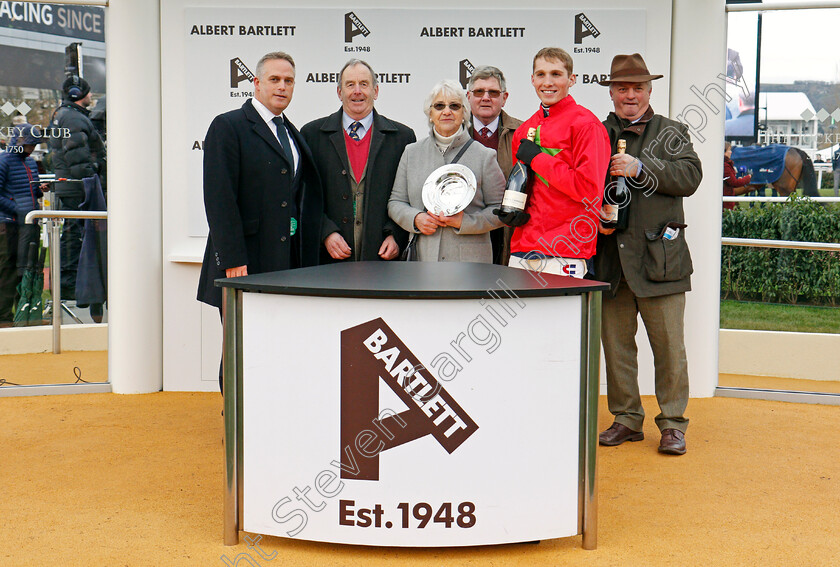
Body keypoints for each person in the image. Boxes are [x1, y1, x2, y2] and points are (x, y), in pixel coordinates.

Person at [196, 51, 323, 391]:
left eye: (289, 81)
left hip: (284, 262)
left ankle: (269, 413)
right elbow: (219, 199)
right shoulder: (229, 126)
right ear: (256, 83)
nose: (282, 87)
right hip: (244, 261)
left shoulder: (292, 133)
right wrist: (234, 260)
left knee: (276, 342)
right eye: (274, 79)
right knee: (241, 342)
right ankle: (237, 420)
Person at [595, 53, 703, 455]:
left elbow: (690, 177)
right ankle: (626, 418)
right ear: (611, 92)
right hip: (611, 260)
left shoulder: (672, 131)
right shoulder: (595, 131)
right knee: (617, 348)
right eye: (622, 88)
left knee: (670, 349)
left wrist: (641, 169)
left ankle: (673, 423)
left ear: (649, 90)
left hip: (661, 260)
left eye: (637, 87)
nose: (630, 95)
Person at [496, 47, 610, 280]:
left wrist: (538, 158)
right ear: (532, 79)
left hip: (567, 251)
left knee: (562, 318)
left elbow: (588, 190)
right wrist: (514, 213)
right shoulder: (524, 130)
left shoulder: (587, 125)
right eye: (541, 74)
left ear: (572, 79)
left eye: (556, 74)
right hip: (524, 247)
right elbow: (524, 185)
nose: (548, 82)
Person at [301, 59, 415, 264]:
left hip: (382, 260)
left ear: (376, 91)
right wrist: (325, 233)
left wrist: (395, 235)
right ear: (339, 92)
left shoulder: (402, 138)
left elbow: (410, 196)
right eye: (350, 84)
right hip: (328, 262)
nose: (357, 91)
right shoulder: (312, 135)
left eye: (364, 84)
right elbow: (304, 196)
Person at [388, 80, 505, 263]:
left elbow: (500, 210)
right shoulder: (411, 153)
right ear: (430, 113)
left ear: (464, 113)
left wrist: (465, 222)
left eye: (454, 106)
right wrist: (416, 219)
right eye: (439, 106)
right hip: (423, 259)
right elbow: (396, 202)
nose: (447, 111)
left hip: (471, 265)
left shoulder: (485, 156)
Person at [47, 75, 106, 320]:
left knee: (73, 234)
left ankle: (72, 285)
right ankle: (72, 285)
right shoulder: (72, 117)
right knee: (77, 235)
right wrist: (92, 181)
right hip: (79, 187)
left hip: (72, 185)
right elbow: (78, 155)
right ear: (80, 94)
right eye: (88, 93)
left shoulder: (64, 114)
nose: (91, 97)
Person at [466, 65, 523, 265]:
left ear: (504, 97)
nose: (486, 97)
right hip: (465, 231)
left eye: (493, 92)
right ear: (468, 96)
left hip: (507, 233)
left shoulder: (523, 134)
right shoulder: (453, 133)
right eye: (479, 91)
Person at [1, 125, 43, 287]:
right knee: (8, 272)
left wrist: (40, 190)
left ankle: (22, 309)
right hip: (9, 224)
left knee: (26, 269)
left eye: (34, 145)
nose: (32, 149)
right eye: (29, 145)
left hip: (28, 223)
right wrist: (18, 211)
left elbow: (31, 190)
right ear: (19, 143)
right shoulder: (4, 161)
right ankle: (5, 313)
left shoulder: (31, 163)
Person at [723, 141, 752, 210]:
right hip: (726, 201)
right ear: (724, 152)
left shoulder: (726, 164)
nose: (731, 152)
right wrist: (747, 178)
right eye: (729, 150)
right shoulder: (725, 165)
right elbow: (734, 183)